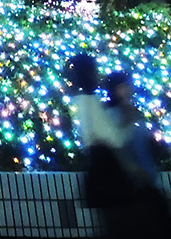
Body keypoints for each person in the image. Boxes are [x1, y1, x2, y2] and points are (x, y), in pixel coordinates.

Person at [65, 54, 133, 237]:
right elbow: (115, 139)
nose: (98, 75)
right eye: (95, 70)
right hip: (110, 171)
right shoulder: (92, 102)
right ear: (89, 73)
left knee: (113, 225)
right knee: (120, 225)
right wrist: (128, 116)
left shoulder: (78, 102)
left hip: (97, 169)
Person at [104, 72, 171, 236]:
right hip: (131, 189)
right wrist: (134, 170)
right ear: (114, 90)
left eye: (128, 85)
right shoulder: (112, 116)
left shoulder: (134, 113)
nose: (128, 89)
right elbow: (115, 147)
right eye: (123, 86)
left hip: (147, 183)